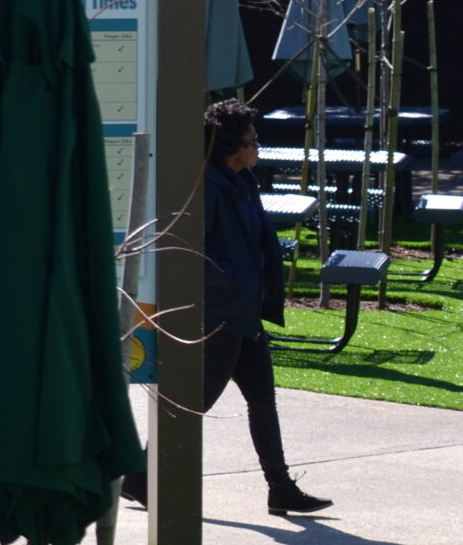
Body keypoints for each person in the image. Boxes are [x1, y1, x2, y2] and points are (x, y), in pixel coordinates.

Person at [122, 98, 329, 515]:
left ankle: (280, 487)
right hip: (221, 317)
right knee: (191, 404)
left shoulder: (244, 181)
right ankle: (140, 479)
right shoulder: (209, 187)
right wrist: (233, 277)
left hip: (244, 313)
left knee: (262, 400)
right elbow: (193, 248)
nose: (258, 146)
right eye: (252, 140)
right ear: (229, 146)